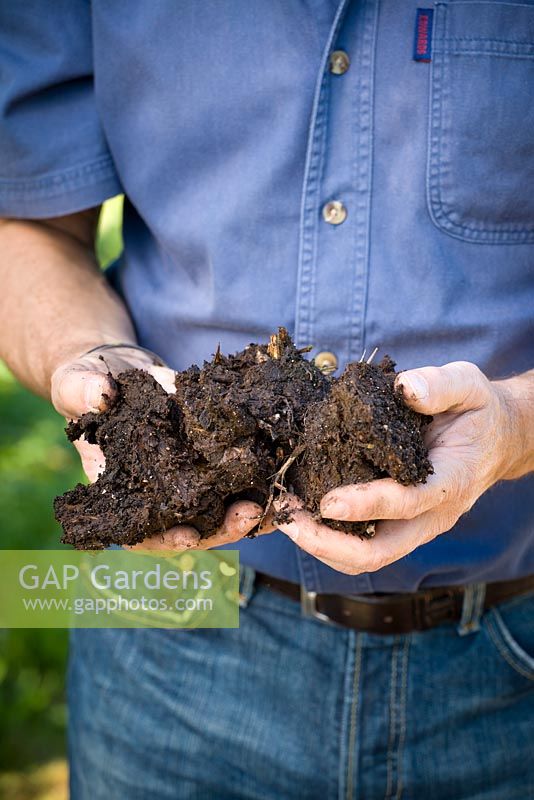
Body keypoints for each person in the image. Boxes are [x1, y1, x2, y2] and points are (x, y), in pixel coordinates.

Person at [1, 1, 533, 798]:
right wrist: (87, 360)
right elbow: (27, 223)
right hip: (165, 634)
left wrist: (519, 420)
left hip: (508, 660)